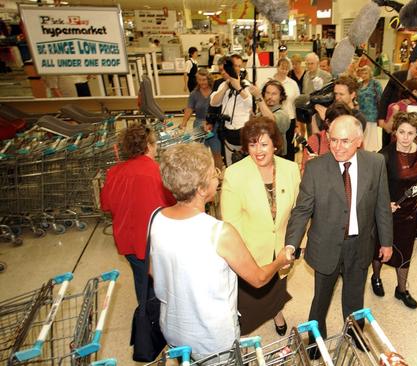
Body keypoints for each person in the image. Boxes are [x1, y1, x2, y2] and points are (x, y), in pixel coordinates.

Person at [150, 143, 294, 361]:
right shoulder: (219, 233)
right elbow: (258, 279)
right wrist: (279, 260)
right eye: (213, 173)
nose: (218, 176)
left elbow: (153, 270)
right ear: (200, 188)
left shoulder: (156, 218)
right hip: (212, 338)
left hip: (173, 326)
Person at [285, 115, 393, 343]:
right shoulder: (315, 168)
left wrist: (386, 241)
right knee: (320, 299)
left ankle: (354, 336)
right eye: (333, 140)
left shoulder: (376, 163)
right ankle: (315, 339)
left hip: (360, 244)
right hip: (325, 246)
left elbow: (382, 205)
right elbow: (302, 210)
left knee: (355, 297)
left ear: (358, 141)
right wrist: (291, 243)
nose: (337, 146)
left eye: (344, 141)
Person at [220, 117, 301, 336]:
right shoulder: (234, 174)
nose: (258, 151)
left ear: (276, 143)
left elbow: (297, 212)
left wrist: (294, 242)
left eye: (264, 144)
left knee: (277, 287)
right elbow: (230, 223)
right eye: (252, 144)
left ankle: (276, 311)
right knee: (249, 301)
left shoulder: (291, 169)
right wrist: (243, 255)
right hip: (250, 251)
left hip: (282, 247)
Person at [100, 125, 176, 304]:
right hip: (154, 242)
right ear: (149, 146)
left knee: (142, 280)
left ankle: (144, 314)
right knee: (161, 284)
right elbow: (173, 202)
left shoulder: (113, 173)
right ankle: (158, 320)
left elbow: (106, 205)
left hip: (128, 241)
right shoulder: (158, 172)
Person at [370, 112, 417, 309]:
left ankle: (402, 290)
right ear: (395, 132)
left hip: (410, 212)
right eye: (401, 132)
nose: (405, 137)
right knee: (380, 249)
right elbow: (371, 187)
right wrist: (383, 205)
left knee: (406, 251)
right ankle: (375, 277)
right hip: (388, 213)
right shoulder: (383, 156)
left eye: (410, 133)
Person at [209, 54, 253, 166]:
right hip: (227, 131)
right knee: (230, 164)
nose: (224, 72)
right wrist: (226, 87)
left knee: (244, 164)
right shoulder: (222, 85)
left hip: (242, 132)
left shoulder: (245, 84)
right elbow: (214, 102)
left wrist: (238, 87)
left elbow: (250, 104)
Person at [378, 57, 417, 147]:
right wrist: (381, 119)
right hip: (392, 115)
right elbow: (385, 97)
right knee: (387, 145)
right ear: (411, 65)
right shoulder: (397, 76)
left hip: (413, 120)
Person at [181, 68, 223, 169]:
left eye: (204, 80)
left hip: (214, 125)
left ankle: (220, 176)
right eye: (199, 80)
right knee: (200, 155)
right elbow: (189, 108)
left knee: (216, 153)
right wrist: (184, 122)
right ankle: (202, 177)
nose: (202, 82)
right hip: (199, 125)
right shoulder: (194, 94)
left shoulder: (215, 91)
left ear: (208, 79)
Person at [301, 102, 353, 172]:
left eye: (346, 124)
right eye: (338, 124)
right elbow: (303, 174)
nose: (342, 128)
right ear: (328, 122)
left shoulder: (354, 139)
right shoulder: (315, 141)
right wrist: (311, 167)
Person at [249, 80, 291, 156]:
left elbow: (271, 121)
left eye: (274, 94)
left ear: (281, 97)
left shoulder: (283, 114)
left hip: (276, 157)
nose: (270, 97)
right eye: (267, 93)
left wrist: (258, 97)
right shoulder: (260, 114)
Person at [272, 58, 301, 161]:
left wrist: (297, 124)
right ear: (277, 67)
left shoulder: (292, 84)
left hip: (290, 119)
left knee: (289, 147)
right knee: (275, 145)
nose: (284, 71)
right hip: (273, 119)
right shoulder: (270, 82)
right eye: (282, 68)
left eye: (286, 68)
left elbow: (296, 104)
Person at [356, 65, 383, 151]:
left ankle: (371, 151)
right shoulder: (359, 84)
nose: (364, 75)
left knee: (370, 135)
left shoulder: (375, 84)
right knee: (362, 134)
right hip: (361, 113)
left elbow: (380, 98)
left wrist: (381, 115)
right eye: (362, 73)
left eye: (366, 73)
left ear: (370, 73)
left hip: (372, 114)